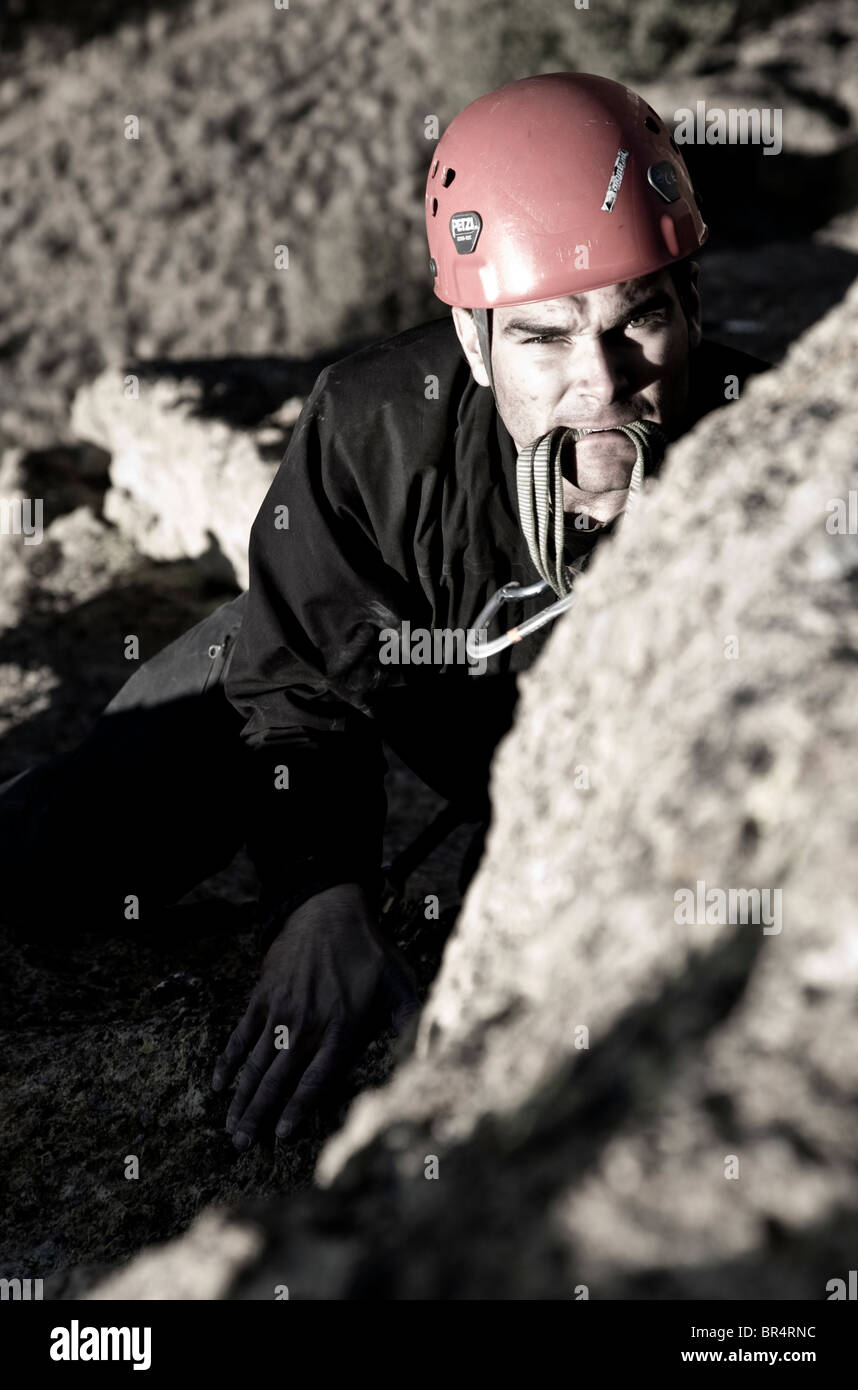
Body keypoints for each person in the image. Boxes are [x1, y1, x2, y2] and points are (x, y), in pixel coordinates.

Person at [0, 73, 769, 1151]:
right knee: (97, 814)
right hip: (417, 685)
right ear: (470, 343)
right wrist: (324, 894)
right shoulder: (377, 428)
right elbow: (293, 679)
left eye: (635, 318)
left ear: (688, 301)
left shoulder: (762, 461)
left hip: (594, 755)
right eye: (541, 338)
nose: (597, 384)